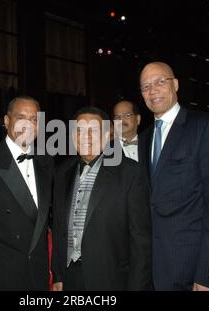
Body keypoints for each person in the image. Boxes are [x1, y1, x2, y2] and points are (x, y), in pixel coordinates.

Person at [138, 61, 209, 291]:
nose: (153, 90)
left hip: (196, 269)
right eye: (146, 86)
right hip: (155, 269)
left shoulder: (206, 127)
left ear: (176, 84)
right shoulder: (144, 138)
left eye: (160, 81)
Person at [51, 106, 152, 291]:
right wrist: (58, 274)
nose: (86, 136)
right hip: (70, 278)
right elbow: (58, 227)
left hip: (111, 279)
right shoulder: (62, 172)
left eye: (94, 130)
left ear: (106, 136)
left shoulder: (130, 173)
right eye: (79, 130)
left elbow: (141, 242)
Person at [0, 96, 54, 290]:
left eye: (34, 119)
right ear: (7, 121)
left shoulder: (47, 162)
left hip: (37, 278)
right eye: (21, 117)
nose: (28, 125)